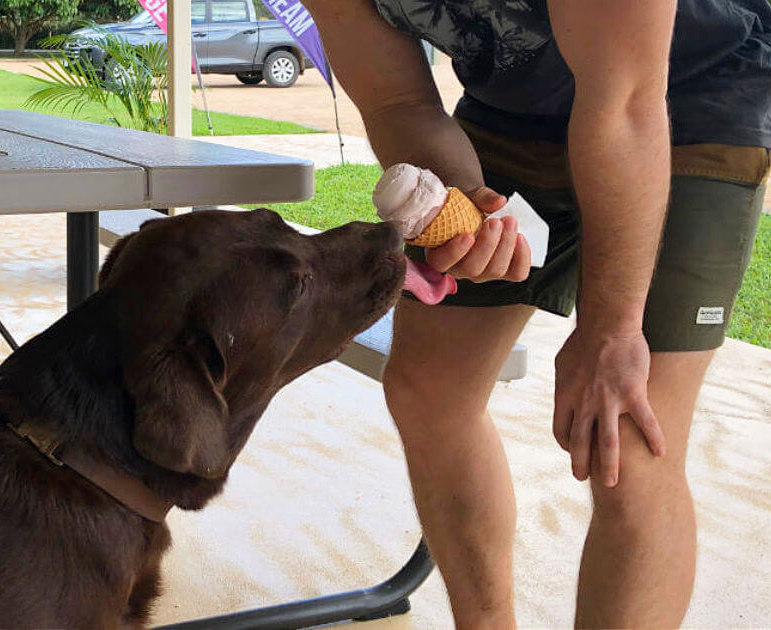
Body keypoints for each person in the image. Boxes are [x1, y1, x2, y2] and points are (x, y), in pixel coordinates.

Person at [298, 0, 771, 627]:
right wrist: (464, 200)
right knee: (427, 390)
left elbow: (627, 103)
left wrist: (612, 327)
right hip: (509, 114)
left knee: (627, 439)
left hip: (691, 94)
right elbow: (398, 106)